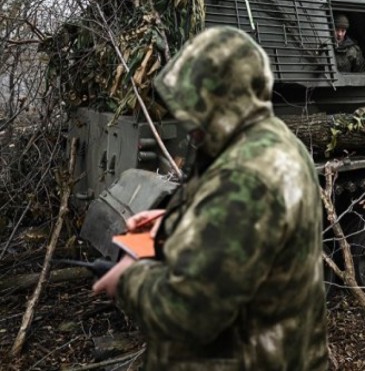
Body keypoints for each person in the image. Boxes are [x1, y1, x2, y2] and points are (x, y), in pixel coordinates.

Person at [93, 26, 329, 370]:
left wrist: (127, 279)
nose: (187, 119)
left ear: (223, 99)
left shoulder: (247, 175)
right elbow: (232, 234)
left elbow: (189, 312)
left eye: (195, 104)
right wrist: (170, 223)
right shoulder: (267, 141)